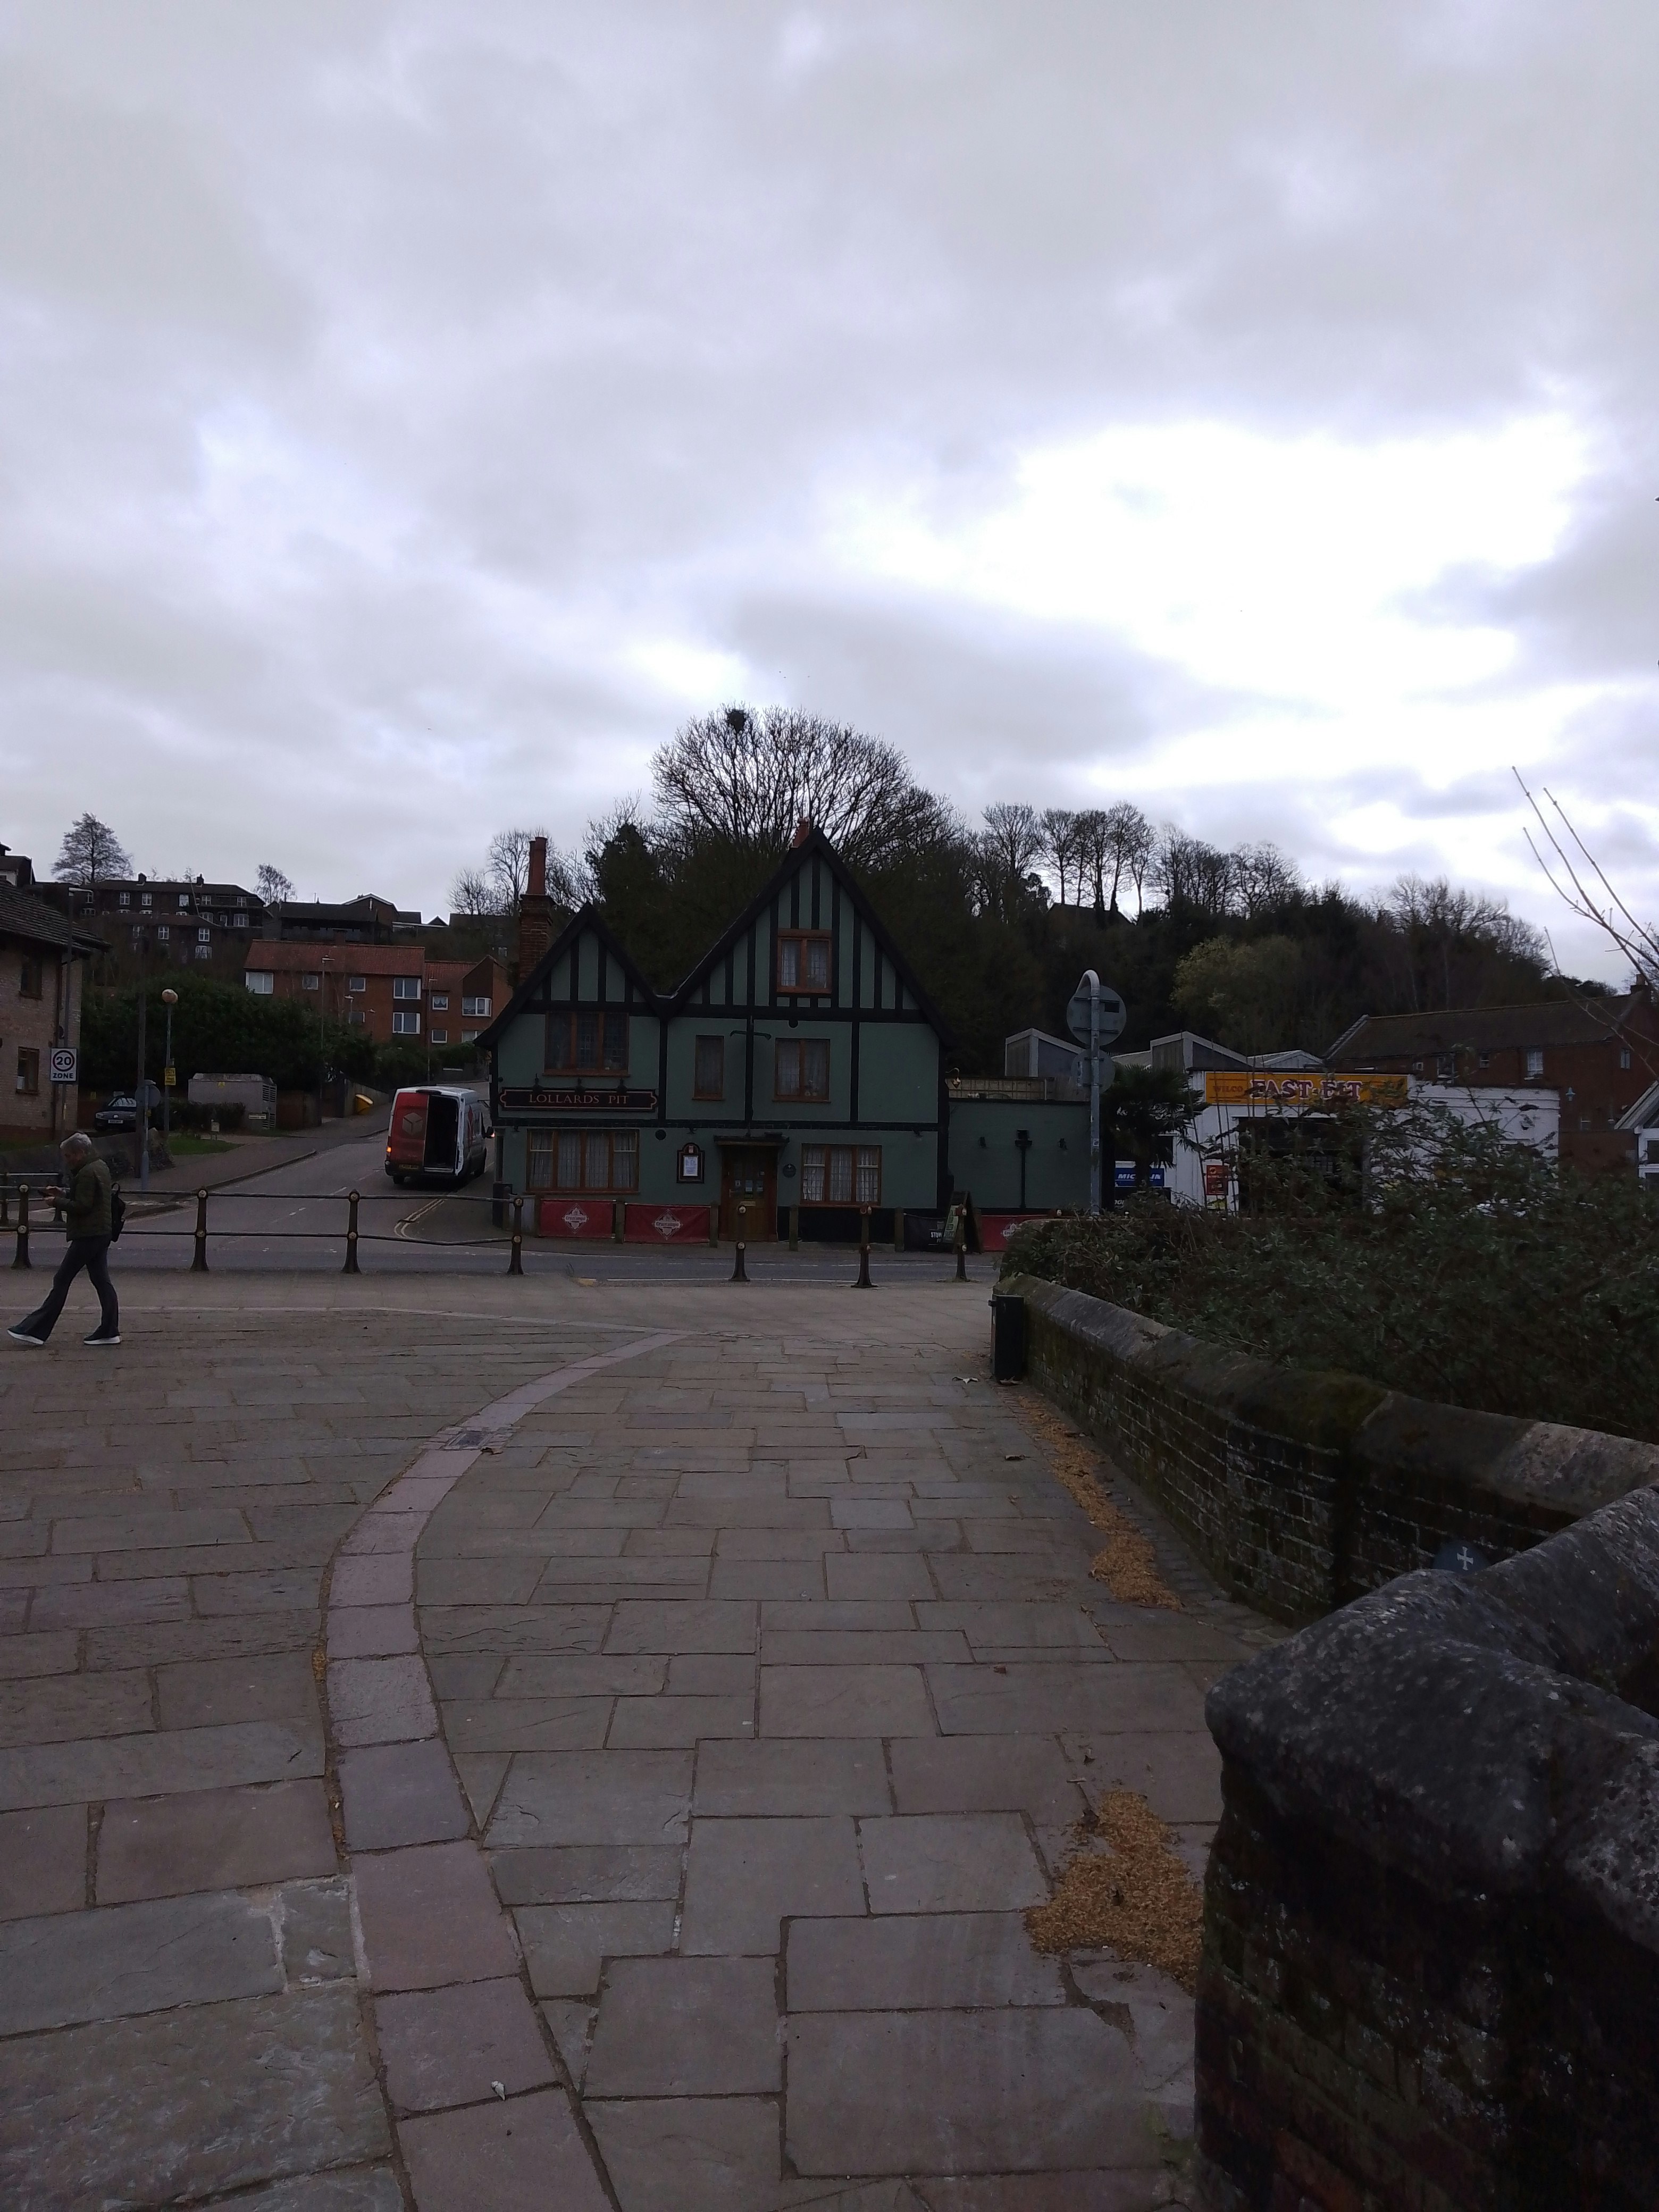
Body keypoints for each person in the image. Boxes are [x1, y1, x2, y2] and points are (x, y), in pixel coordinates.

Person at [7, 1132, 120, 1347]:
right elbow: (90, 1198)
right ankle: (109, 1330)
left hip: (89, 1234)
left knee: (62, 1279)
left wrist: (57, 1202)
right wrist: (63, 1192)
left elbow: (84, 1206)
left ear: (80, 1153)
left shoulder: (87, 1172)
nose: (67, 1160)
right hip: (101, 1232)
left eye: (69, 1156)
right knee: (101, 1281)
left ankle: (35, 1330)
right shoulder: (99, 1166)